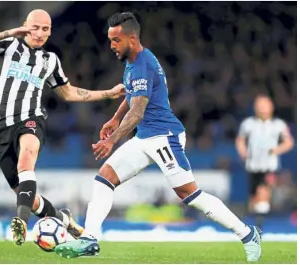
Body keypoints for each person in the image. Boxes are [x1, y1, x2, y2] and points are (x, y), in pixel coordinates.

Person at [54, 12, 262, 262]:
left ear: (131, 39)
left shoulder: (143, 64)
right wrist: (115, 118)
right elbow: (131, 95)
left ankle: (248, 234)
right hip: (145, 138)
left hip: (165, 137)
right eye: (110, 40)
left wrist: (112, 139)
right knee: (104, 179)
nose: (111, 46)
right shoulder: (132, 61)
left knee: (190, 195)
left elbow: (139, 111)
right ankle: (89, 240)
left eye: (115, 40)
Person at [0, 9, 125, 246]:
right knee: (28, 198)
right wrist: (11, 31)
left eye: (45, 29)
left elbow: (69, 92)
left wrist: (108, 94)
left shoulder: (50, 61)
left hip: (30, 118)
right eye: (35, 27)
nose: (40, 33)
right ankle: (64, 220)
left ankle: (19, 222)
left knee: (27, 156)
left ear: (50, 31)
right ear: (25, 26)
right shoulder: (8, 45)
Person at [235, 94, 294, 228]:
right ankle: (256, 217)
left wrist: (276, 150)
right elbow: (240, 140)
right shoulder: (248, 124)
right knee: (253, 200)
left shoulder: (278, 125)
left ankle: (259, 225)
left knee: (263, 191)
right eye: (259, 105)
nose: (262, 108)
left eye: (265, 105)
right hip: (252, 166)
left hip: (269, 165)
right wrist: (243, 152)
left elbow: (288, 142)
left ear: (271, 107)